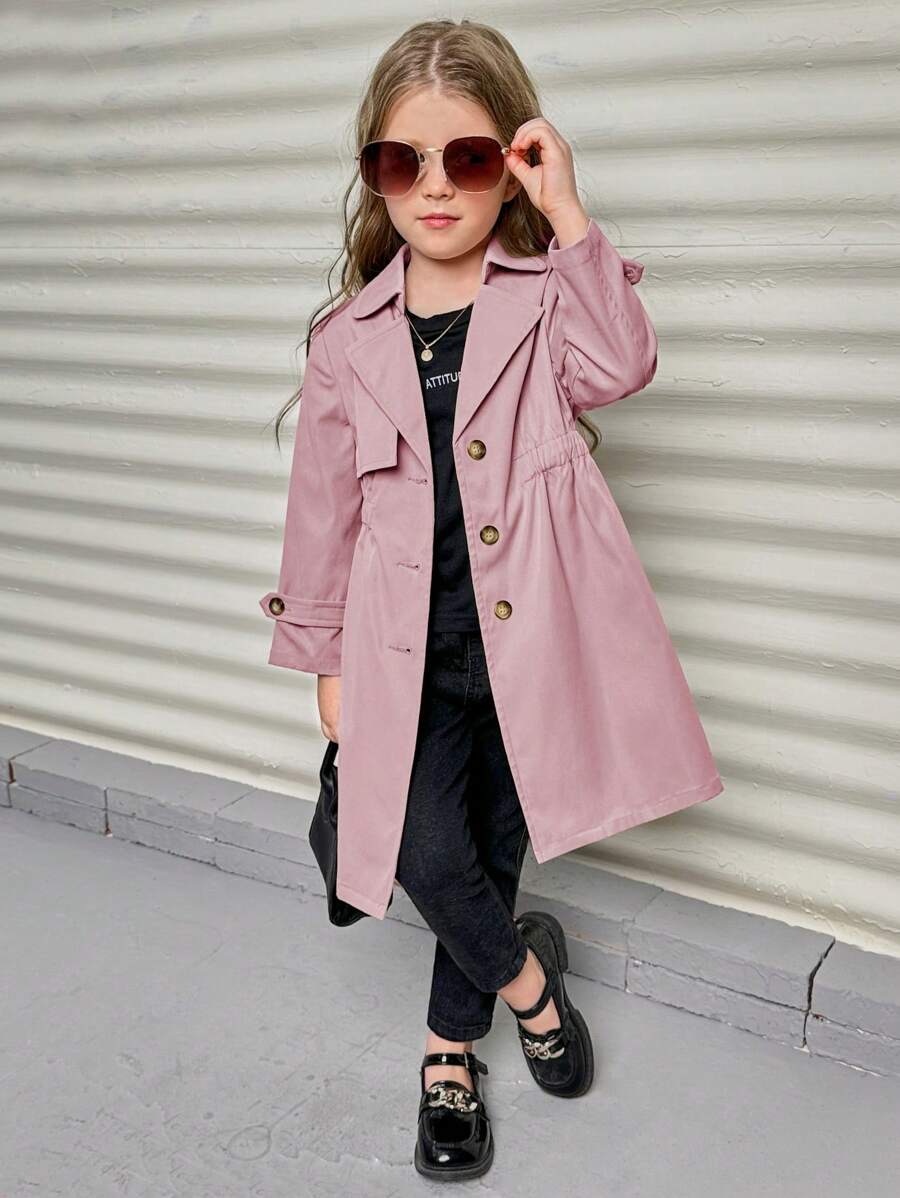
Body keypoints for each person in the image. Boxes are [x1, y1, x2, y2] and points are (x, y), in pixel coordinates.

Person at [260, 16, 723, 1182]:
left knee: (494, 844)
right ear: (373, 172)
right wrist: (325, 658)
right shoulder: (346, 342)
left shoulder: (547, 300)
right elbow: (321, 512)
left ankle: (445, 1054)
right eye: (400, 159)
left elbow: (623, 364)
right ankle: (529, 984)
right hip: (404, 653)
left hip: (536, 645)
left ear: (509, 162)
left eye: (465, 158)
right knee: (429, 849)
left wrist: (569, 215)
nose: (433, 186)